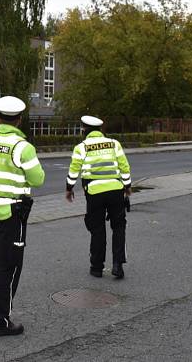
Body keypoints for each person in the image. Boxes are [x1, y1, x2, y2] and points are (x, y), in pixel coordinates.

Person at [0, 95, 45, 337]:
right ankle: (0, 321)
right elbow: (38, 179)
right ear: (19, 120)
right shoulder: (23, 147)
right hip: (12, 214)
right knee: (9, 265)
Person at [65, 115, 131, 279]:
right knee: (119, 227)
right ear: (100, 130)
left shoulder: (81, 147)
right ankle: (118, 265)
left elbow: (74, 170)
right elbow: (124, 166)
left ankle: (96, 267)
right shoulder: (114, 144)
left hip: (94, 193)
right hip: (116, 190)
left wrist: (69, 188)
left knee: (97, 229)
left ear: (84, 130)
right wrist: (128, 186)